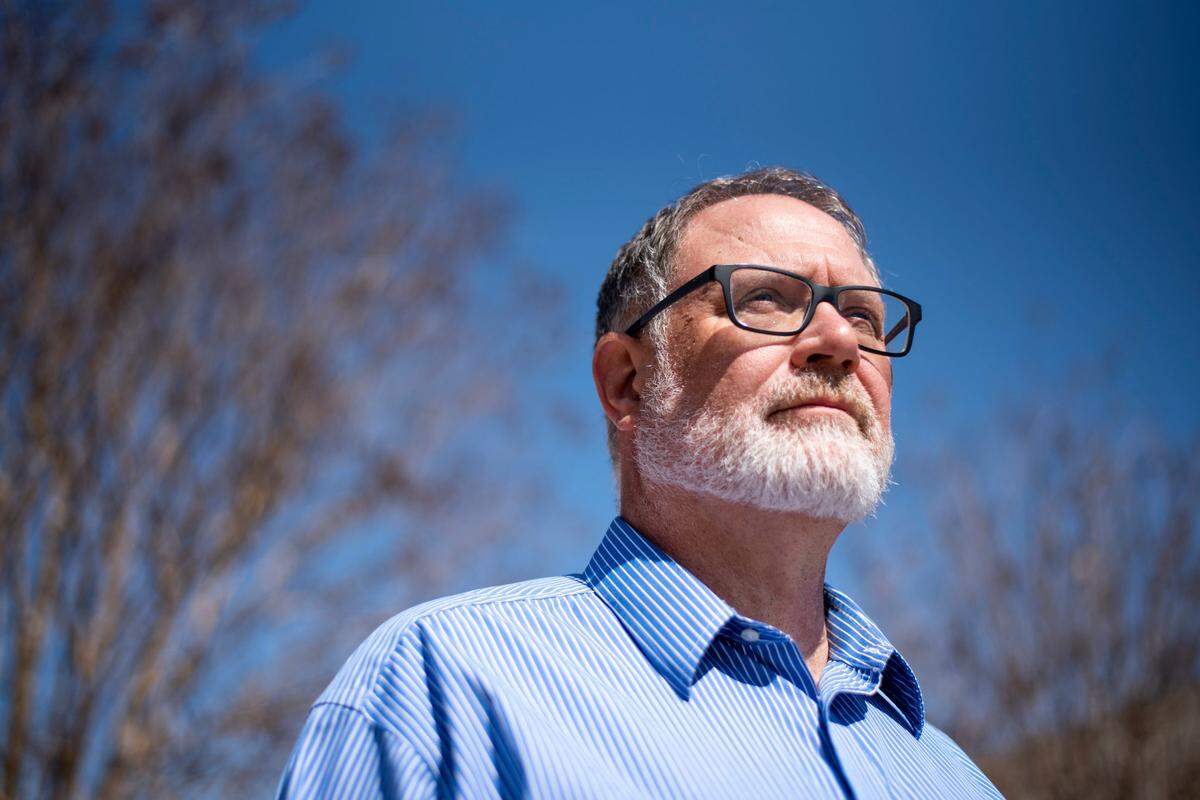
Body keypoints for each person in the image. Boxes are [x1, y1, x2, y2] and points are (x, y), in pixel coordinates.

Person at [275, 167, 1003, 799]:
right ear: (627, 381)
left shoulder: (957, 780)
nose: (840, 340)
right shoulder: (442, 689)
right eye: (767, 299)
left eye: (864, 315)